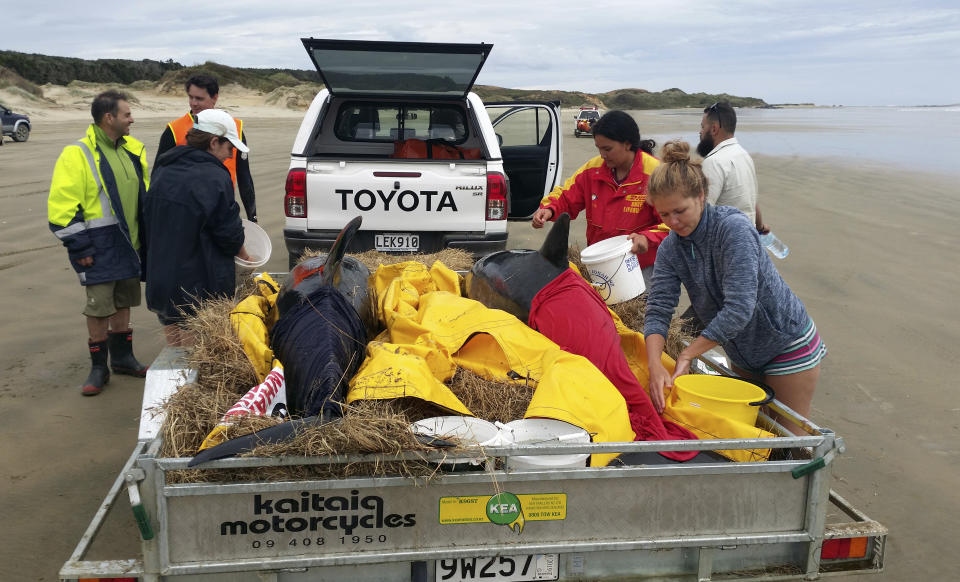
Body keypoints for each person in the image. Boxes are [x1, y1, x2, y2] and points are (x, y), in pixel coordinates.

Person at [643, 140, 826, 434]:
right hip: (742, 352)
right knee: (755, 434)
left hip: (785, 343)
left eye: (680, 211)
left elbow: (740, 307)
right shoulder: (670, 249)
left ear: (701, 196)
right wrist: (654, 365)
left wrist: (689, 354)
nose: (673, 222)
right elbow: (658, 309)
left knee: (790, 440)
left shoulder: (733, 229)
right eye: (663, 215)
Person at [47, 90, 150, 396]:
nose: (132, 119)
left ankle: (122, 359)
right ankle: (98, 368)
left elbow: (144, 194)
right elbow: (61, 208)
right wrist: (80, 247)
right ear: (109, 118)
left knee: (123, 301)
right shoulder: (76, 153)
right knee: (98, 306)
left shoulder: (134, 149)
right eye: (127, 114)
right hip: (97, 245)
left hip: (129, 243)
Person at [144, 109, 250, 347]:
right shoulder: (214, 176)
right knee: (198, 355)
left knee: (175, 352)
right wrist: (246, 258)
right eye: (229, 148)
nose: (229, 155)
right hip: (198, 284)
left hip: (162, 277)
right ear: (213, 142)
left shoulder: (164, 168)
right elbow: (229, 234)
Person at [532, 110, 668, 286]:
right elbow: (566, 194)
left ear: (627, 144)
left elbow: (673, 225)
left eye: (607, 149)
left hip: (642, 267)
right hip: (601, 264)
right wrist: (549, 209)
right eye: (598, 148)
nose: (602, 155)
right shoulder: (593, 170)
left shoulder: (656, 174)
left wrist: (646, 238)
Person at [155, 74, 257, 222]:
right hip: (184, 211)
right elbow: (158, 176)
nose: (193, 103)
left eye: (199, 98)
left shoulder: (234, 129)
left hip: (222, 207)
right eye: (191, 97)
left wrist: (252, 216)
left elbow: (244, 176)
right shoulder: (174, 129)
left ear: (214, 97)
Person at [697, 101, 767, 233]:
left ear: (714, 129)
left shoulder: (713, 162)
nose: (700, 132)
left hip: (727, 244)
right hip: (749, 238)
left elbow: (702, 213)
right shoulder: (744, 155)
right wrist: (760, 226)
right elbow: (751, 200)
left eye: (702, 127)